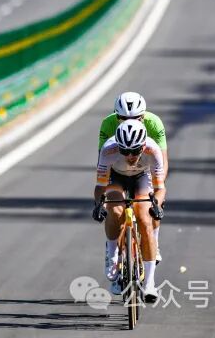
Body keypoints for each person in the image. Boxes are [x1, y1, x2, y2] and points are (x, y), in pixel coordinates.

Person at [93, 119, 166, 302]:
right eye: (125, 151)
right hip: (116, 177)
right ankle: (112, 253)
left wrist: (156, 205)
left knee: (144, 219)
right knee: (116, 211)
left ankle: (150, 283)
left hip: (142, 176)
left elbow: (160, 188)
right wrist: (99, 204)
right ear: (118, 146)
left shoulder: (153, 150)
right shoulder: (108, 150)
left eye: (135, 150)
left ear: (143, 146)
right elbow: (100, 186)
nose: (131, 156)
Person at [98, 92, 168, 260]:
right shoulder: (108, 124)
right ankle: (112, 251)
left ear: (143, 116)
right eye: (122, 118)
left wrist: (158, 190)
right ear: (116, 116)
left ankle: (154, 241)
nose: (129, 122)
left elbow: (163, 162)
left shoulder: (154, 123)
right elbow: (102, 162)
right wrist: (102, 201)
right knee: (115, 210)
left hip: (145, 169)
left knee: (148, 210)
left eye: (136, 118)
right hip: (116, 170)